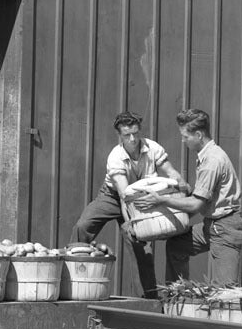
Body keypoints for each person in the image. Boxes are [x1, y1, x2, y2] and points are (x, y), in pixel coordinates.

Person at [71, 110, 186, 298]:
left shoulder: (153, 148)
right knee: (83, 225)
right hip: (114, 196)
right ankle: (74, 275)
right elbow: (125, 195)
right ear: (120, 135)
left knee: (142, 246)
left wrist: (180, 182)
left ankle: (147, 299)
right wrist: (131, 222)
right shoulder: (115, 157)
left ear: (139, 130)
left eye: (135, 133)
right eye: (127, 135)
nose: (132, 139)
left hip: (142, 198)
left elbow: (171, 171)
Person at [132, 108, 242, 285]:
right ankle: (179, 294)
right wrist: (169, 220)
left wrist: (161, 200)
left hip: (224, 228)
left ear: (198, 135)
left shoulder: (212, 161)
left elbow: (195, 205)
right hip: (212, 225)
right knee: (177, 246)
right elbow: (199, 201)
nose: (183, 140)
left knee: (226, 292)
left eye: (185, 136)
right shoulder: (205, 156)